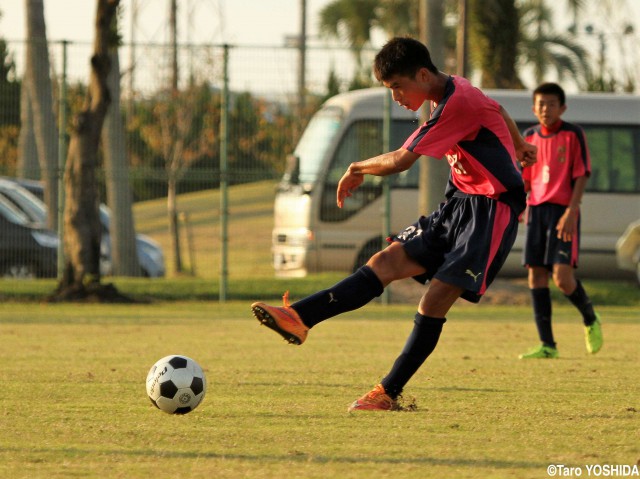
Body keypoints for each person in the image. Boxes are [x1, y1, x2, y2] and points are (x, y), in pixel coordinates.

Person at [252, 37, 536, 411]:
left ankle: (388, 392)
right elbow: (496, 107)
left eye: (397, 87)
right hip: (458, 204)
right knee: (384, 263)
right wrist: (518, 144)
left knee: (434, 299)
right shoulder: (448, 91)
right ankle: (299, 317)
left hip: (491, 210)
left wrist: (356, 168)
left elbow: (402, 160)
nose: (396, 97)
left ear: (422, 74)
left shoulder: (458, 102)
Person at [519, 82, 602, 359]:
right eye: (541, 104)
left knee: (563, 278)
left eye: (551, 104)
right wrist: (518, 206)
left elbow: (582, 173)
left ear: (562, 107)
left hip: (563, 212)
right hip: (537, 212)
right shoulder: (528, 136)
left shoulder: (573, 134)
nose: (545, 109)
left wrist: (572, 211)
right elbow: (526, 180)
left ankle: (590, 317)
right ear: (534, 108)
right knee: (536, 275)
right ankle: (547, 345)